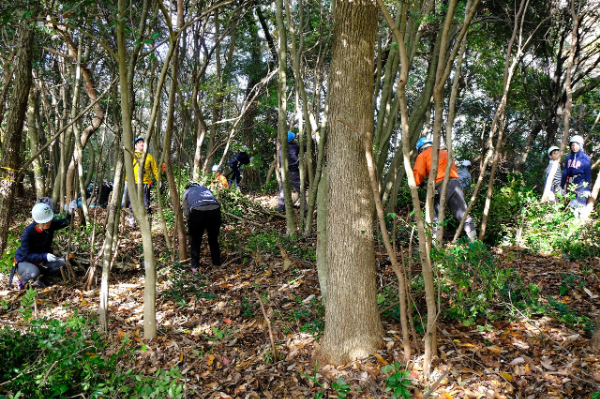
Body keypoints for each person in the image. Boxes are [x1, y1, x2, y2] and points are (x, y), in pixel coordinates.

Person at [413, 137, 478, 242]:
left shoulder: (423, 155)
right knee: (464, 215)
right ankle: (475, 243)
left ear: (421, 149)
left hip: (440, 187)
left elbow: (418, 175)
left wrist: (419, 184)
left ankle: (434, 246)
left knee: (434, 218)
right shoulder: (445, 153)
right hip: (455, 184)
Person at [9, 201, 77, 289]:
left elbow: (65, 222)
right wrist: (45, 256)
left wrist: (71, 212)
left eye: (48, 220)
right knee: (34, 272)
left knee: (61, 263)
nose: (47, 223)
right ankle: (22, 282)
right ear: (37, 221)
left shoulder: (50, 225)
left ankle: (41, 281)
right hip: (24, 261)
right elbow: (27, 255)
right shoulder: (28, 233)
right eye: (44, 222)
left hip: (41, 260)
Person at [182, 182, 222, 271]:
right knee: (213, 240)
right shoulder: (205, 189)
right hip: (215, 210)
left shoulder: (186, 192)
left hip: (198, 211)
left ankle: (195, 267)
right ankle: (216, 265)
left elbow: (186, 212)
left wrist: (191, 222)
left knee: (196, 241)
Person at [561, 135, 591, 213]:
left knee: (581, 203)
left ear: (580, 145)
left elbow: (588, 174)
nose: (574, 147)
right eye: (572, 145)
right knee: (573, 203)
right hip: (571, 182)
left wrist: (587, 189)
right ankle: (573, 222)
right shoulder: (568, 158)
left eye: (576, 144)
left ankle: (581, 222)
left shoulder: (585, 158)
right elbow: (565, 172)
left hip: (581, 182)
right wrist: (561, 187)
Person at [276, 132, 305, 212]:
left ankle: (280, 208)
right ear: (291, 139)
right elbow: (305, 148)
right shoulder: (294, 147)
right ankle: (305, 208)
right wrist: (312, 139)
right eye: (293, 138)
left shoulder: (282, 148)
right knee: (300, 189)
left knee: (283, 190)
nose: (294, 139)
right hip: (293, 172)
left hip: (284, 172)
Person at [131, 137, 159, 215]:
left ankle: (147, 219)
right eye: (139, 142)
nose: (141, 143)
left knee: (146, 201)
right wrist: (127, 181)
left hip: (146, 183)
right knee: (133, 202)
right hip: (133, 183)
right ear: (135, 145)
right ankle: (132, 219)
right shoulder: (131, 155)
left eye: (142, 142)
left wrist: (158, 180)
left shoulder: (149, 156)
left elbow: (155, 169)